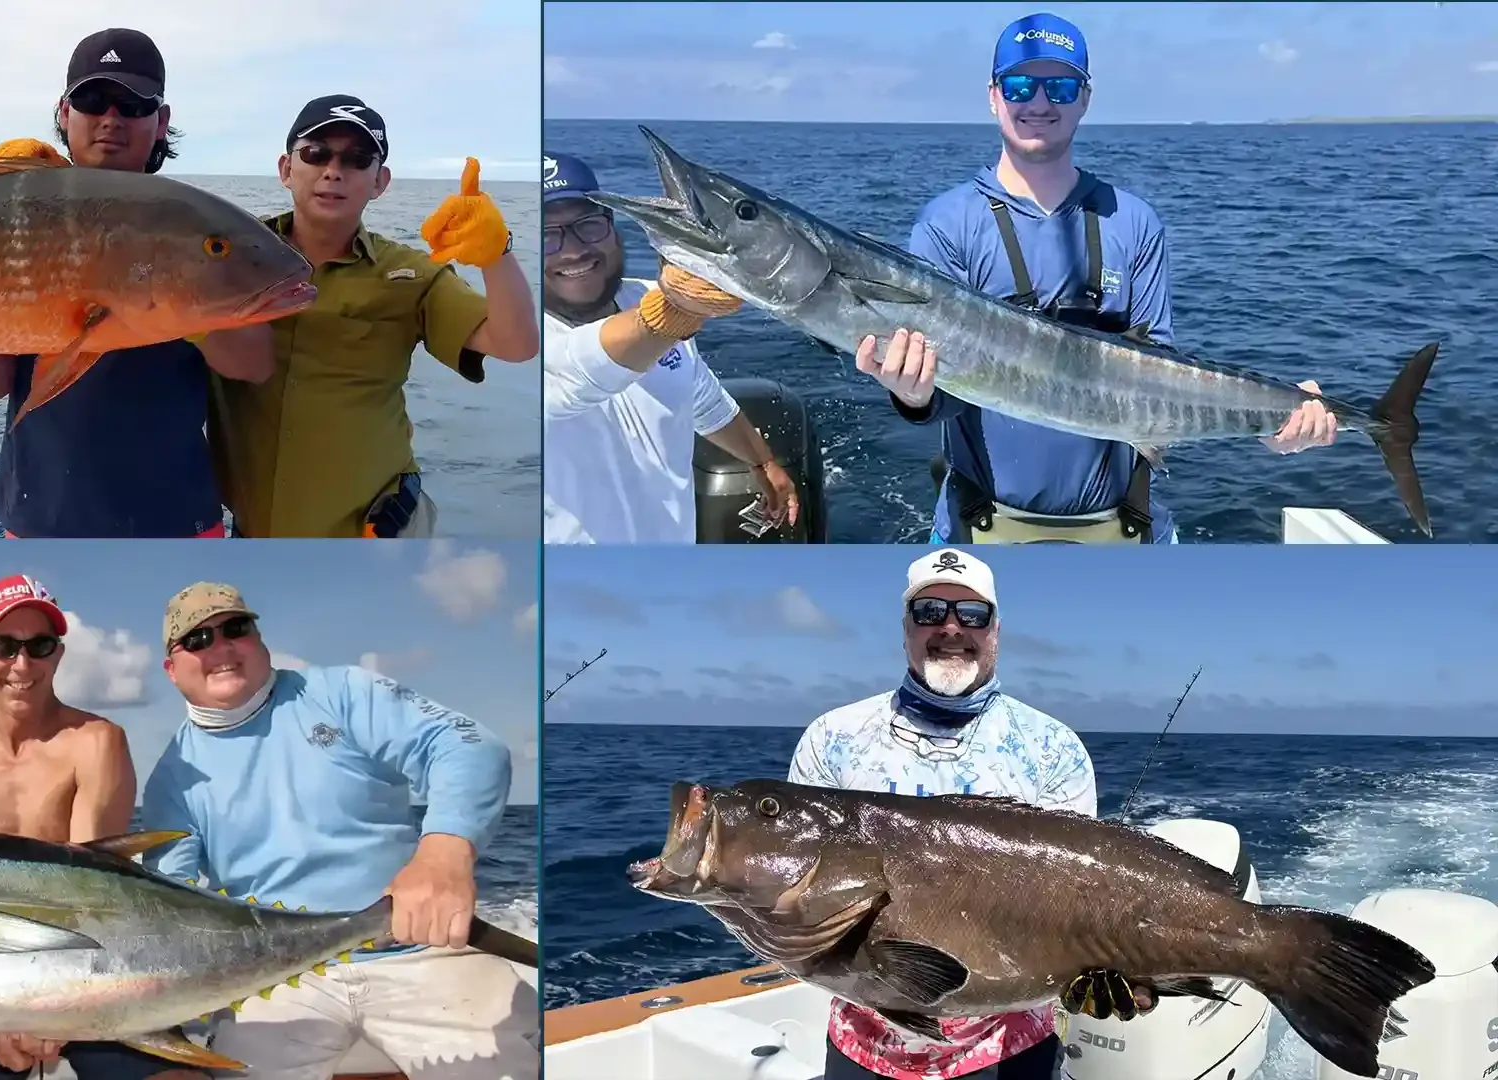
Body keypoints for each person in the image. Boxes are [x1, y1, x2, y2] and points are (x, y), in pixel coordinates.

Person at [858, 12, 1337, 545]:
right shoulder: (947, 224)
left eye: (1060, 87)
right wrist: (913, 395)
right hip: (978, 531)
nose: (1040, 103)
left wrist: (1272, 422)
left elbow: (1161, 381)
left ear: (1084, 99)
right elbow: (941, 395)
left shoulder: (1134, 221)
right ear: (994, 96)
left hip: (1127, 531)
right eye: (1020, 86)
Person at [0, 27, 273, 539]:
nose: (111, 118)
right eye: (92, 101)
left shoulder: (197, 228)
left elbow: (255, 363)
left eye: (133, 104)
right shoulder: (17, 215)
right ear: (65, 113)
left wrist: (193, 312)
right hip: (38, 523)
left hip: (177, 525)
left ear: (161, 122)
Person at [140, 583, 536, 1080]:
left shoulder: (342, 693)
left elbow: (468, 746)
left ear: (259, 639)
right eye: (197, 639)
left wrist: (443, 857)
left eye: (235, 628)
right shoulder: (172, 779)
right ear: (171, 668)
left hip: (414, 947)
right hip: (275, 978)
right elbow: (168, 911)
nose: (220, 647)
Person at [788, 547, 1156, 1079]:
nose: (951, 628)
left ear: (996, 630)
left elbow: (1076, 905)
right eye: (929, 611)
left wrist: (1100, 971)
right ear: (906, 627)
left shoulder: (1054, 749)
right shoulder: (831, 738)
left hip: (1009, 1048)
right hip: (861, 1046)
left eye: (972, 614)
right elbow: (801, 896)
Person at [206, 94, 542, 538]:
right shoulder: (223, 255)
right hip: (253, 539)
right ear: (286, 169)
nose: (334, 171)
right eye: (316, 153)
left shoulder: (410, 274)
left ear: (380, 181)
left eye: (358, 159)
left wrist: (497, 253)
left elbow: (516, 344)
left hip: (378, 537)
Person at [0, 573, 205, 1079]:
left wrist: (49, 1010)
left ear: (57, 655)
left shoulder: (96, 741)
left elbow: (88, 899)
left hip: (101, 972)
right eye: (3, 646)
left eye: (39, 646)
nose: (22, 664)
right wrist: (1, 1015)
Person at [540, 150, 800, 544]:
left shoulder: (649, 296)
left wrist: (763, 462)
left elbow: (704, 401)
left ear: (612, 228)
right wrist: (673, 312)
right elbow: (579, 370)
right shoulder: (516, 340)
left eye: (588, 225)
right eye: (546, 235)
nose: (573, 250)